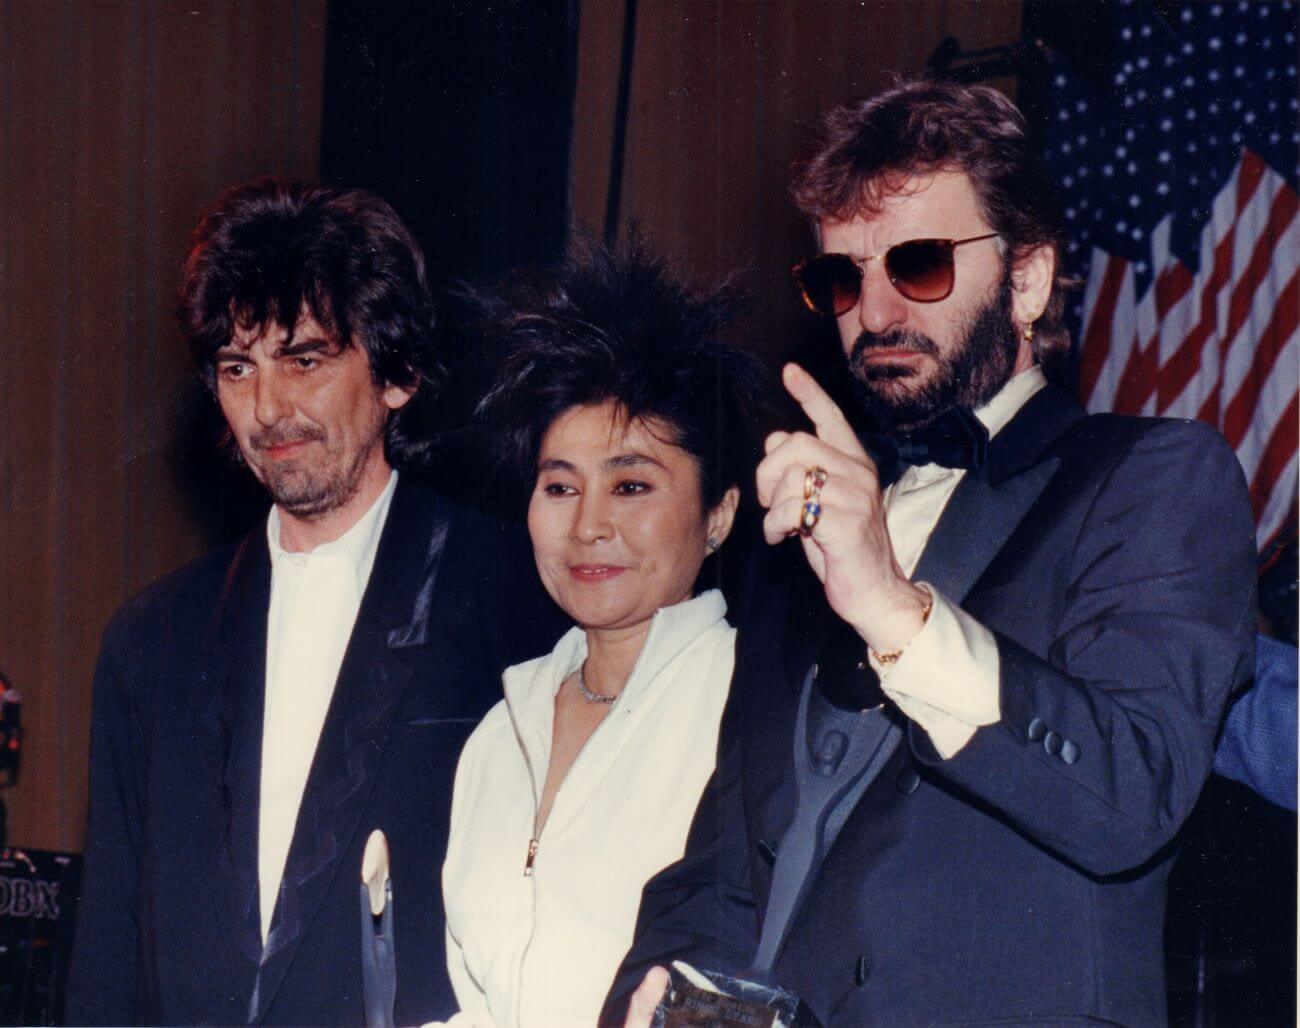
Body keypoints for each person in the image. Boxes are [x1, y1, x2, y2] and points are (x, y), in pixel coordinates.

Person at [608, 78, 1258, 1027]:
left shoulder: (1152, 479)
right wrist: (654, 991)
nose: (872, 314)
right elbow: (731, 867)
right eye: (840, 279)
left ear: (1027, 280)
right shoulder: (804, 537)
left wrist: (892, 607)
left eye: (916, 265)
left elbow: (1134, 792)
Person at [65, 178, 560, 1026]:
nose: (267, 409)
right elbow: (107, 964)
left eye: (304, 358)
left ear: (397, 373)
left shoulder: (514, 595)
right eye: (236, 367)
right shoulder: (152, 642)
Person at [437, 242, 766, 1027]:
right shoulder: (499, 732)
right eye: (559, 487)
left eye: (630, 485)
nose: (588, 526)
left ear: (717, 514)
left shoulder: (755, 711)